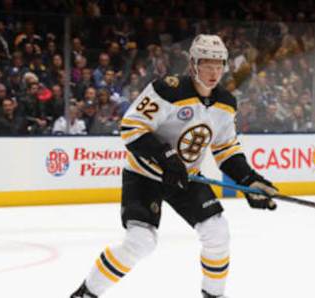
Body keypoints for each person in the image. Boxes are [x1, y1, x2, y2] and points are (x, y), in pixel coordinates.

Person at [70, 34, 278, 298]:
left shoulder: (226, 104)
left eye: (219, 65)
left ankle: (213, 295)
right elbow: (131, 128)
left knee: (217, 232)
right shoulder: (167, 90)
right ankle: (86, 293)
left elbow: (226, 149)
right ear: (193, 64)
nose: (214, 71)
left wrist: (249, 180)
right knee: (141, 242)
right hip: (144, 174)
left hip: (185, 178)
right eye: (207, 64)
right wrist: (167, 157)